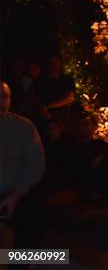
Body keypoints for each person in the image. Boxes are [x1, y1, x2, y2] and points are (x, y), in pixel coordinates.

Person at [0, 81, 45, 247]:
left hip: (15, 193)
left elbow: (36, 164)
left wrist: (17, 194)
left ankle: (21, 263)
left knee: (31, 216)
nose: (1, 101)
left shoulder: (23, 126)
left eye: (4, 96)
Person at [31, 54, 76, 136]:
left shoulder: (67, 80)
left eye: (56, 62)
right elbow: (31, 97)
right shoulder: (41, 80)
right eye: (51, 63)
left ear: (60, 64)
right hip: (43, 116)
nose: (53, 65)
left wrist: (48, 106)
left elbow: (69, 98)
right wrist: (41, 108)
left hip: (61, 116)